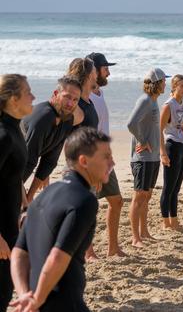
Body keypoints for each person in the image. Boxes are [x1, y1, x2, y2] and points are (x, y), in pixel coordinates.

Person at [9, 127, 113, 312]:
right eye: (106, 156)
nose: (112, 162)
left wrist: (26, 295)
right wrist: (37, 299)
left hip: (37, 301)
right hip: (65, 303)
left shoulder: (44, 194)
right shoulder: (84, 200)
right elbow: (57, 256)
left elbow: (19, 253)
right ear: (84, 161)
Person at [0, 75, 34, 312]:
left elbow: (13, 176)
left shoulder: (15, 129)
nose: (33, 96)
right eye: (28, 92)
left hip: (9, 226)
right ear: (13, 99)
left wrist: (24, 208)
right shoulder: (3, 135)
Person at [21, 76, 84, 203]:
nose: (70, 103)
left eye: (75, 99)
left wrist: (30, 195)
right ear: (56, 94)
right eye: (67, 97)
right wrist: (23, 198)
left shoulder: (67, 120)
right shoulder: (43, 118)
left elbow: (49, 161)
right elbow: (28, 162)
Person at [87, 52, 125, 257]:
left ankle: (113, 248)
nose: (108, 72)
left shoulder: (99, 92)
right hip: (91, 159)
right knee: (90, 205)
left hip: (104, 158)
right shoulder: (85, 96)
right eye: (105, 68)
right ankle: (88, 252)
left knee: (116, 200)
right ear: (94, 70)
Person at [127, 68, 169, 247]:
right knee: (139, 196)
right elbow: (130, 123)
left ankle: (144, 232)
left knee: (147, 195)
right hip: (142, 158)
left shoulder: (153, 101)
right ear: (157, 83)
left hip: (152, 158)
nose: (165, 84)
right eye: (163, 81)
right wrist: (142, 141)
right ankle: (135, 238)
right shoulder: (144, 100)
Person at [159, 75, 183, 230]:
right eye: (182, 86)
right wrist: (163, 153)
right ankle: (166, 223)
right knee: (169, 187)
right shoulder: (168, 105)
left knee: (177, 188)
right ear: (174, 86)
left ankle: (175, 221)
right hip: (171, 146)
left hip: (182, 147)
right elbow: (159, 130)